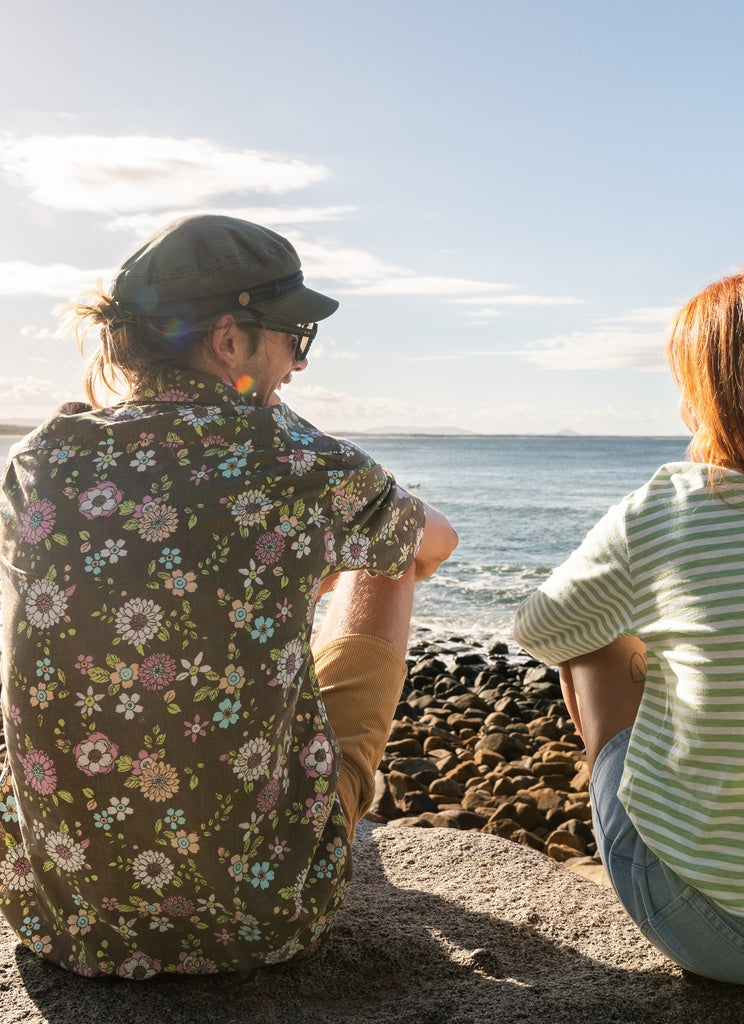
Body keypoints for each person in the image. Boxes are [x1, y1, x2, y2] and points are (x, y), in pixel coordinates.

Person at [0, 214, 457, 978]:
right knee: (386, 555)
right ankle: (317, 805)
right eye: (295, 335)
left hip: (62, 915)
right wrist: (326, 538)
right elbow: (435, 542)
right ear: (229, 340)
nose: (300, 363)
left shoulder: (39, 460)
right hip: (259, 920)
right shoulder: (302, 462)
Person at [514, 257, 744, 987]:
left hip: (721, 929)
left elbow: (541, 629)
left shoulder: (675, 506)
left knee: (595, 639)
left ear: (716, 396)